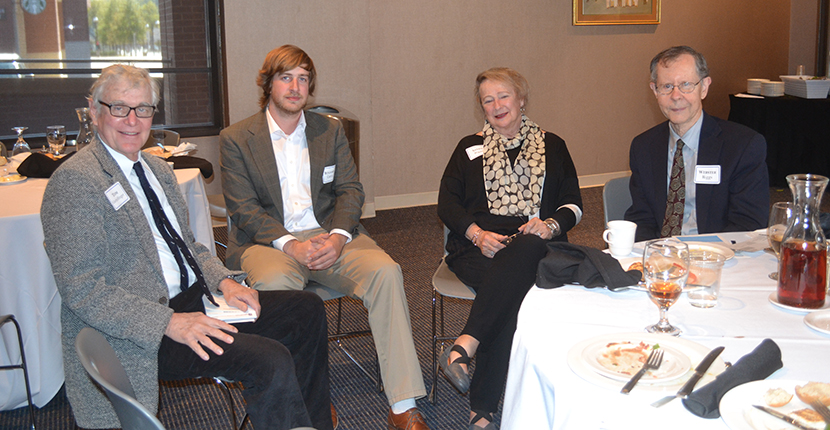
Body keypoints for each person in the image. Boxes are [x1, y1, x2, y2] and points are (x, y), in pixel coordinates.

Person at [41, 64, 333, 430]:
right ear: (95, 111)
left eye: (143, 109)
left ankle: (311, 423)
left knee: (305, 309)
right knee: (268, 358)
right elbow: (81, 291)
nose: (132, 120)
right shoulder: (74, 182)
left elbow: (188, 246)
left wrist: (226, 282)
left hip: (196, 301)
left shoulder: (157, 170)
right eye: (119, 108)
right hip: (143, 327)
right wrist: (169, 322)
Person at [220, 45, 430, 430]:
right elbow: (243, 208)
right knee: (275, 284)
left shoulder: (328, 130)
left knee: (386, 271)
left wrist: (336, 238)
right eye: (286, 77)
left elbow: (350, 190)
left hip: (328, 233)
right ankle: (307, 400)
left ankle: (403, 402)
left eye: (303, 78)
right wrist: (292, 245)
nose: (295, 86)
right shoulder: (237, 138)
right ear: (268, 84)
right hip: (269, 240)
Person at [437, 67, 583, 429]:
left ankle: (466, 356)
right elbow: (446, 203)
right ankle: (481, 405)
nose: (497, 105)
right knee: (512, 291)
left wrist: (550, 225)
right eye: (488, 100)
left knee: (521, 261)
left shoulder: (554, 146)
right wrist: (476, 234)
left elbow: (574, 204)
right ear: (482, 108)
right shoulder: (468, 147)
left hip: (536, 244)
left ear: (521, 99)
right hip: (479, 247)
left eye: (504, 96)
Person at [624, 45, 769, 241]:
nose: (676, 96)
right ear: (654, 90)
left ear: (704, 87)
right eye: (667, 86)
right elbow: (641, 218)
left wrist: (702, 256)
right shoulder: (643, 147)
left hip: (717, 257)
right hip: (661, 258)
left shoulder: (743, 146)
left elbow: (748, 223)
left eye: (686, 85)